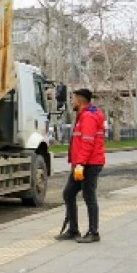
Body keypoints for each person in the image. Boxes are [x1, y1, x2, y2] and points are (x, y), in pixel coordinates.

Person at [57, 88, 106, 243]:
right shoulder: (84, 115)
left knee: (89, 196)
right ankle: (73, 230)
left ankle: (93, 232)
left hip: (89, 164)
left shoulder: (88, 117)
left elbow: (87, 143)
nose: (71, 102)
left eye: (73, 99)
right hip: (83, 163)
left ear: (79, 100)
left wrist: (80, 164)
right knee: (69, 193)